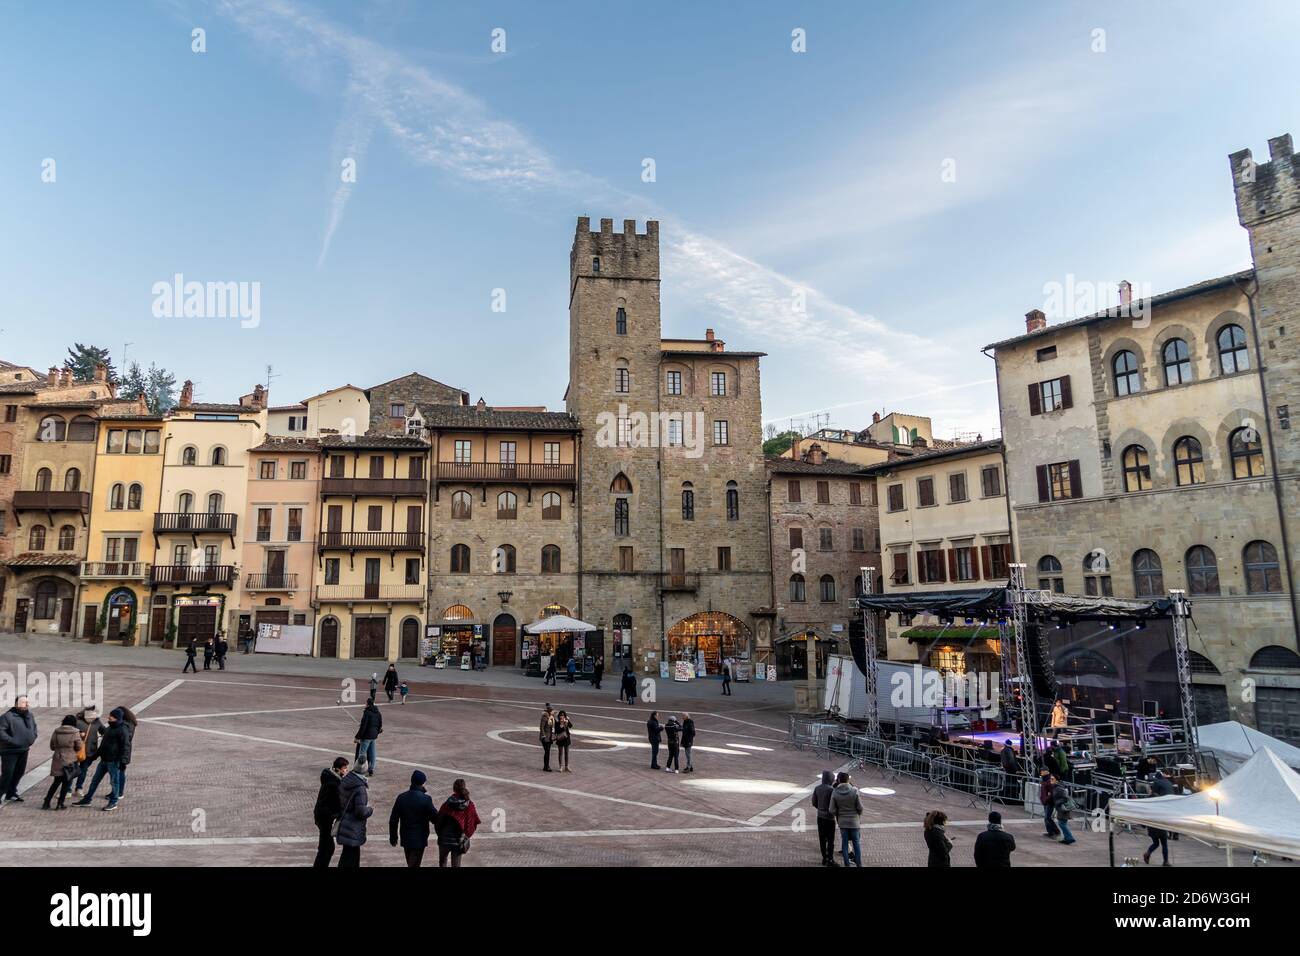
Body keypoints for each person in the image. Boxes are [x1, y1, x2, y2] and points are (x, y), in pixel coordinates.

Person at [74, 708, 130, 811]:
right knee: (95, 780)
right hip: (104, 760)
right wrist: (96, 755)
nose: (109, 717)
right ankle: (87, 799)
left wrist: (123, 761)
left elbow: (126, 747)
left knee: (114, 782)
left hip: (113, 761)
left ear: (117, 718)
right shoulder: (109, 728)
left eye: (111, 716)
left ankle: (113, 802)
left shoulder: (122, 730)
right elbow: (103, 744)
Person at [389, 769, 438, 867]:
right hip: (420, 838)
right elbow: (435, 818)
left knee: (410, 862)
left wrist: (393, 837)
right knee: (415, 863)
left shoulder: (401, 798)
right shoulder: (426, 799)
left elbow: (393, 820)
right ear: (422, 783)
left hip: (406, 838)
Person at [434, 778, 481, 868]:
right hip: (458, 841)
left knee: (442, 862)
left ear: (454, 789)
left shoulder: (447, 804)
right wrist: (466, 836)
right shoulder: (469, 805)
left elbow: (438, 820)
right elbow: (471, 823)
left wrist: (440, 834)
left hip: (444, 839)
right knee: (456, 865)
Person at [336, 756, 373, 867]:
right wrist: (370, 810)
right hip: (353, 827)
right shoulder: (360, 788)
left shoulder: (346, 779)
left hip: (345, 823)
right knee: (352, 857)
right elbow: (360, 811)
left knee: (347, 855)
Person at [0, 695, 37, 805]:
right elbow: (1, 732)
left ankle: (11, 793)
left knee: (19, 773)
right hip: (9, 751)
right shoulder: (7, 717)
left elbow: (34, 728)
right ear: (17, 704)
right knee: (8, 773)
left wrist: (33, 737)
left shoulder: (29, 715)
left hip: (24, 749)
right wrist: (12, 741)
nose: (27, 704)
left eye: (27, 702)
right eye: (24, 702)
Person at [313, 757, 348, 868]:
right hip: (324, 817)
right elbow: (338, 803)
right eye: (344, 768)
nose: (346, 771)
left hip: (321, 815)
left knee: (325, 845)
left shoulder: (327, 776)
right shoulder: (334, 784)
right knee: (327, 848)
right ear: (337, 769)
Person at [43, 715, 82, 810]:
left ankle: (47, 802)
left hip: (58, 759)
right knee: (66, 782)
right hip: (70, 761)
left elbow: (52, 746)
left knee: (56, 782)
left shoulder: (56, 731)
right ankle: (60, 803)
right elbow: (78, 747)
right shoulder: (75, 732)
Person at [831, 772, 863, 866]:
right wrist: (858, 814)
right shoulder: (854, 790)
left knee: (844, 844)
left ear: (839, 780)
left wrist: (838, 814)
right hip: (854, 822)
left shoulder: (835, 792)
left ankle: (846, 864)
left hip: (843, 822)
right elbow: (860, 807)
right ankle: (859, 864)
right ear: (848, 780)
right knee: (856, 844)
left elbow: (831, 809)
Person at [72, 706, 105, 798]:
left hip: (90, 751)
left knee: (83, 770)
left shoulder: (97, 721)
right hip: (76, 750)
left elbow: (104, 731)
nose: (91, 718)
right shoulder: (77, 721)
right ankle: (69, 789)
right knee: (74, 769)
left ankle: (78, 788)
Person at [811, 770, 838, 866]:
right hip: (830, 818)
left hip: (820, 816)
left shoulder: (817, 788)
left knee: (822, 838)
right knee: (830, 840)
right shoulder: (831, 790)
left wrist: (820, 808)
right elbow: (834, 804)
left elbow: (814, 802)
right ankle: (830, 859)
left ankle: (824, 858)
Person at [354, 698, 382, 777]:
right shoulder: (378, 712)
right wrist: (376, 732)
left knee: (362, 753)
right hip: (374, 736)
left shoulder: (366, 712)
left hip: (366, 736)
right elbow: (380, 724)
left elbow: (363, 726)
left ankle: (359, 769)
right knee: (372, 753)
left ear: (368, 704)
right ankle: (371, 769)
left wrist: (357, 737)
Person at [1050, 776, 1076, 845]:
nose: (1051, 780)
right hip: (1061, 809)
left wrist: (1057, 803)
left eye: (1052, 779)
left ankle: (1070, 838)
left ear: (1057, 780)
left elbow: (1065, 797)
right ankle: (1066, 838)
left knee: (1062, 823)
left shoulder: (1059, 788)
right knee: (1062, 823)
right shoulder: (1057, 787)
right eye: (1050, 779)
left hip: (1063, 809)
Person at [1039, 769, 1060, 838]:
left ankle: (1053, 832)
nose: (1041, 773)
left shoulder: (1049, 780)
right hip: (1046, 801)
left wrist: (1046, 799)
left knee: (1047, 818)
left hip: (1049, 802)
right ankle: (1052, 831)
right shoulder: (1044, 780)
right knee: (1047, 818)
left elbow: (1052, 793)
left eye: (1043, 771)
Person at [538, 704, 556, 772]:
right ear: (548, 711)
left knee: (547, 752)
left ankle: (546, 766)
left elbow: (555, 724)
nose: (553, 711)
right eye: (551, 710)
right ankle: (546, 766)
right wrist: (543, 736)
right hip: (545, 737)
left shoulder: (552, 718)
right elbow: (541, 727)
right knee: (547, 751)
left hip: (550, 737)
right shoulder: (544, 717)